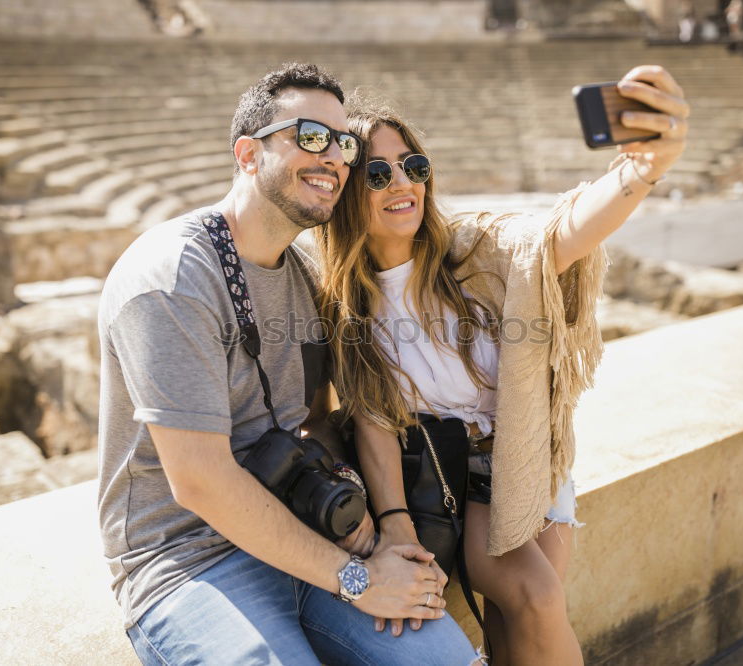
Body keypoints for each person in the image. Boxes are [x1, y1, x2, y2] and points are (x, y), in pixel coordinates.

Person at [97, 63, 480, 665]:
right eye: (309, 136)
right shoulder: (174, 279)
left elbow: (325, 420)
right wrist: (357, 578)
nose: (334, 157)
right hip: (190, 564)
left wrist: (370, 523)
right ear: (248, 154)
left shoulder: (301, 275)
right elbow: (199, 481)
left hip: (305, 533)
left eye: (344, 143)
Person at [315, 66, 689, 665]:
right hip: (453, 482)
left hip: (528, 461)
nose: (400, 184)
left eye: (413, 166)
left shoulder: (475, 252)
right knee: (538, 597)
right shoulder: (343, 304)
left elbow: (557, 238)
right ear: (347, 192)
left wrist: (641, 170)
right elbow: (372, 419)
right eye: (376, 174)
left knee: (520, 630)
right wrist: (395, 525)